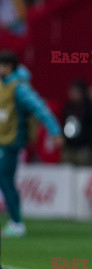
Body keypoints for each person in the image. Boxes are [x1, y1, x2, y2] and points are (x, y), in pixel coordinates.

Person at [0, 50, 63, 237]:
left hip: (11, 142)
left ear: (8, 66)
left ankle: (17, 222)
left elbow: (40, 109)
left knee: (5, 181)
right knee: (5, 181)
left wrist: (55, 131)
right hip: (3, 139)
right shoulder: (4, 85)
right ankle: (15, 221)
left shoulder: (20, 88)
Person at [62, 80, 92, 166]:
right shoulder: (68, 107)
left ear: (82, 93)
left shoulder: (90, 108)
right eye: (72, 91)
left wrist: (89, 145)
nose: (73, 94)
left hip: (84, 149)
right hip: (69, 147)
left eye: (76, 92)